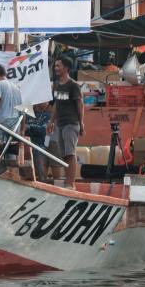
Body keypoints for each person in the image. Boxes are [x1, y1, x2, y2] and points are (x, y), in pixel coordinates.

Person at [47, 56, 84, 189]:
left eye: (59, 66)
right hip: (60, 124)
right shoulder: (56, 84)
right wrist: (51, 121)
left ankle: (70, 183)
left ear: (66, 68)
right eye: (55, 66)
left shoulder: (73, 85)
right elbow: (56, 104)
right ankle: (68, 182)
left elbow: (80, 105)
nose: (56, 68)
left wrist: (82, 123)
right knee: (64, 155)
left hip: (71, 123)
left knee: (70, 153)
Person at [0, 64, 23, 160]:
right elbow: (22, 110)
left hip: (3, 122)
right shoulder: (16, 88)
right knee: (10, 150)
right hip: (15, 124)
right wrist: (22, 128)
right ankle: (11, 172)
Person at [26, 102, 52, 181]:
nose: (47, 103)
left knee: (39, 152)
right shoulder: (27, 115)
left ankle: (43, 181)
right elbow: (23, 130)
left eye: (48, 102)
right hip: (29, 145)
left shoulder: (48, 115)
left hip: (43, 145)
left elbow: (44, 131)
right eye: (45, 101)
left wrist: (29, 127)